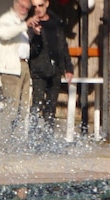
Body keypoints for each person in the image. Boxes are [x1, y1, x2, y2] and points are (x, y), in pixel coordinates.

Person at [0, 0, 39, 144]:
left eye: (27, 8)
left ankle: (15, 141)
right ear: (15, 4)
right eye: (22, 6)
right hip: (11, 68)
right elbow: (4, 34)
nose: (24, 10)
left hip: (23, 66)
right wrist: (25, 25)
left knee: (23, 108)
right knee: (11, 107)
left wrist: (32, 31)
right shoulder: (7, 19)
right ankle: (5, 142)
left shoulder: (20, 23)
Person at [28, 0, 74, 147]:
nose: (38, 9)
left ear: (47, 4)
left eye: (40, 6)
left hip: (55, 69)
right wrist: (34, 35)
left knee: (51, 105)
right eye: (35, 7)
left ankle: (48, 138)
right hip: (39, 69)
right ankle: (33, 138)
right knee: (37, 103)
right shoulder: (31, 23)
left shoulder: (56, 21)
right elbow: (30, 50)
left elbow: (63, 45)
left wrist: (68, 67)